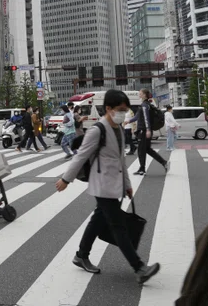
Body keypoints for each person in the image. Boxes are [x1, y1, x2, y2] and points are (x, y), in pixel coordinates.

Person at [56, 89, 160, 284]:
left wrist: (127, 185)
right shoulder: (97, 130)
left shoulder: (119, 129)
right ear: (108, 108)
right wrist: (66, 179)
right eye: (120, 109)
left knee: (98, 219)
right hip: (102, 185)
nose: (124, 113)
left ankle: (81, 255)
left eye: (126, 109)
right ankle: (139, 267)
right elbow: (81, 156)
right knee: (118, 226)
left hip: (115, 184)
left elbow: (121, 160)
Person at [134, 89, 168, 175]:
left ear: (144, 95)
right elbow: (137, 117)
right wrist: (128, 121)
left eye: (140, 93)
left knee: (141, 150)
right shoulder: (146, 105)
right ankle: (164, 162)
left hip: (144, 130)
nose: (139, 94)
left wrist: (148, 130)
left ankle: (142, 168)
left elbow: (146, 118)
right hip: (145, 130)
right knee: (147, 149)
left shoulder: (145, 105)